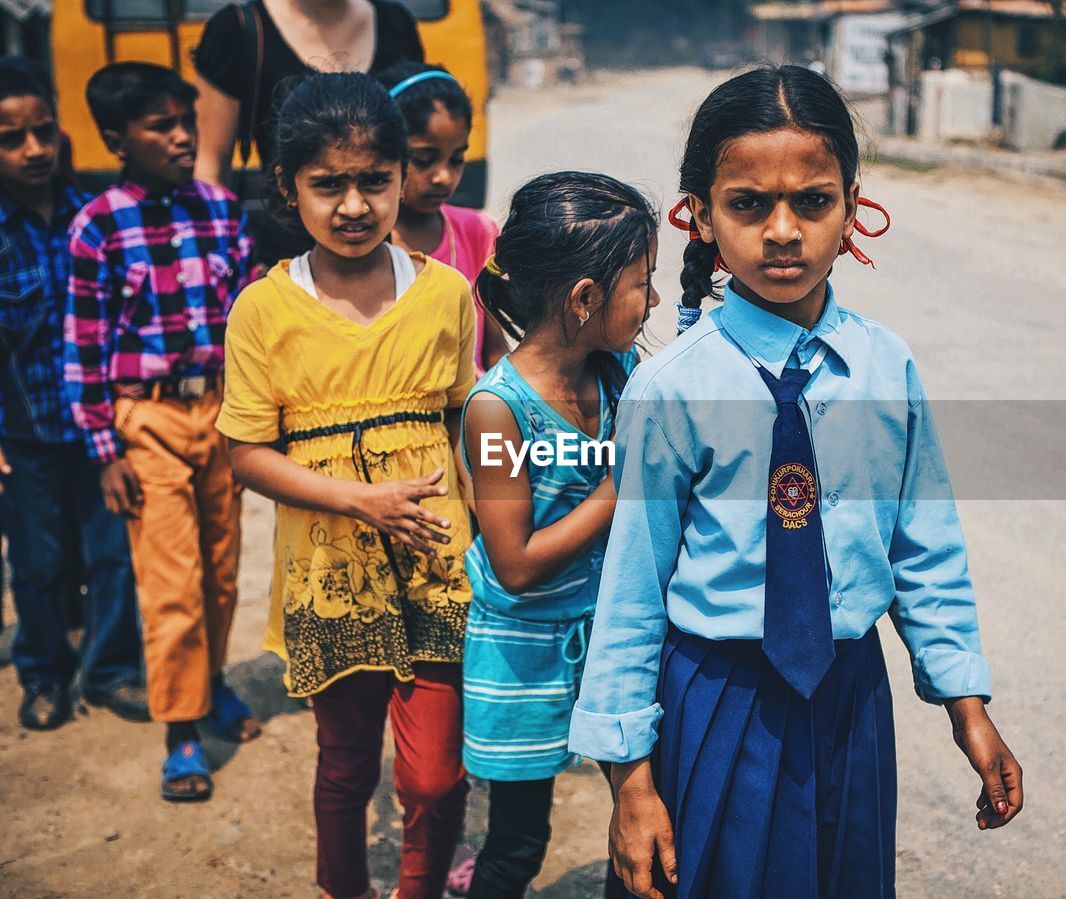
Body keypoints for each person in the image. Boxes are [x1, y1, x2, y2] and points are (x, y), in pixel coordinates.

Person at [568, 65, 1024, 899]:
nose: (783, 231)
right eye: (748, 205)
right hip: (717, 699)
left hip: (850, 700)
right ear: (701, 214)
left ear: (851, 205)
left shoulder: (885, 366)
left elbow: (924, 545)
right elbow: (629, 588)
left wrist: (966, 702)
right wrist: (630, 782)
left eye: (812, 202)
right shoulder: (673, 388)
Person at [216, 72, 474, 899]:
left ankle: (420, 887)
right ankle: (342, 885)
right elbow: (247, 452)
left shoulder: (446, 293)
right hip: (330, 574)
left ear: (403, 177)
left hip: (440, 568)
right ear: (289, 188)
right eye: (328, 184)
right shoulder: (262, 309)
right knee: (346, 759)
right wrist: (360, 501)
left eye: (374, 180)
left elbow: (473, 420)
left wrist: (512, 531)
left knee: (434, 775)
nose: (354, 204)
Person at [63, 62, 259, 800]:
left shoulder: (218, 207)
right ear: (117, 139)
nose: (183, 137)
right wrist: (105, 450)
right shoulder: (99, 224)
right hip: (144, 417)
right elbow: (81, 345)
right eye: (162, 126)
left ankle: (211, 685)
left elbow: (247, 318)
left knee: (222, 565)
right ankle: (180, 727)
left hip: (220, 408)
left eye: (187, 120)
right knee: (170, 577)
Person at [459, 172, 658, 899]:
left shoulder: (620, 373)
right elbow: (513, 564)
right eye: (642, 283)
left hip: (607, 640)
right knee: (517, 843)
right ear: (582, 298)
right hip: (523, 655)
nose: (654, 302)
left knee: (643, 820)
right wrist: (620, 487)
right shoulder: (498, 410)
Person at [0, 55, 146, 731]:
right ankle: (45, 671)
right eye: (11, 137)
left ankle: (114, 669)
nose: (33, 149)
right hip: (24, 435)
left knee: (112, 550)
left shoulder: (92, 215)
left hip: (100, 426)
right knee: (38, 560)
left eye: (42, 130)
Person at [193, 0, 425, 266]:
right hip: (281, 258)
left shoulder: (395, 23)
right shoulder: (239, 28)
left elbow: (414, 141)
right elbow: (209, 167)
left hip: (384, 253)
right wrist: (221, 260)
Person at [378, 63, 506, 375]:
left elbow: (494, 348)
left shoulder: (478, 232)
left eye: (457, 159)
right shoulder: (365, 241)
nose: (443, 176)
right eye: (423, 159)